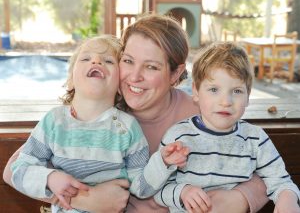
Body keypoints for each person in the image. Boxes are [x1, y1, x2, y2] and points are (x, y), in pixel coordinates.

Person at [3, 14, 269, 213]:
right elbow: (15, 170)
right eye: (128, 61)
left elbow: (261, 167)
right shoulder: (99, 111)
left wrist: (237, 199)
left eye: (151, 67)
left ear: (175, 74)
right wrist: (87, 198)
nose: (135, 77)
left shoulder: (200, 114)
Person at [9, 34, 189, 213]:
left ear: (119, 84)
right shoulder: (54, 122)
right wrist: (49, 178)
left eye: (108, 61)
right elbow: (19, 169)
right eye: (86, 58)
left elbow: (140, 188)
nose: (96, 61)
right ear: (71, 79)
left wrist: (162, 162)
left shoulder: (127, 128)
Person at [154, 42, 300, 213]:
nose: (226, 102)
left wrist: (287, 199)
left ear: (248, 96)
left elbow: (281, 182)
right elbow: (159, 189)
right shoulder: (178, 137)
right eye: (214, 89)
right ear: (195, 91)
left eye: (237, 91)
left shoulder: (256, 139)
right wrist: (182, 192)